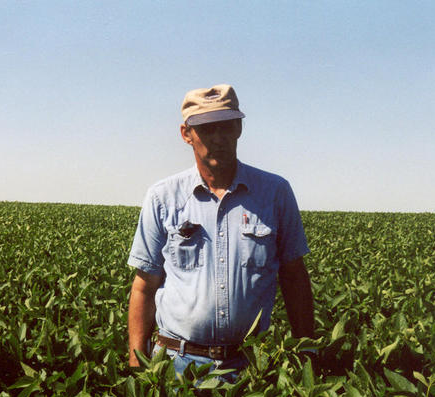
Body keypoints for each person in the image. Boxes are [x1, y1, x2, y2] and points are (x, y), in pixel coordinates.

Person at [127, 84, 314, 380]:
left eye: (226, 127)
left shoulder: (275, 193)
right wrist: (136, 367)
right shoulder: (163, 197)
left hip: (250, 367)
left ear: (239, 128)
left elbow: (295, 277)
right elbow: (144, 287)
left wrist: (308, 355)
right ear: (186, 134)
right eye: (207, 129)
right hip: (176, 364)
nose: (218, 138)